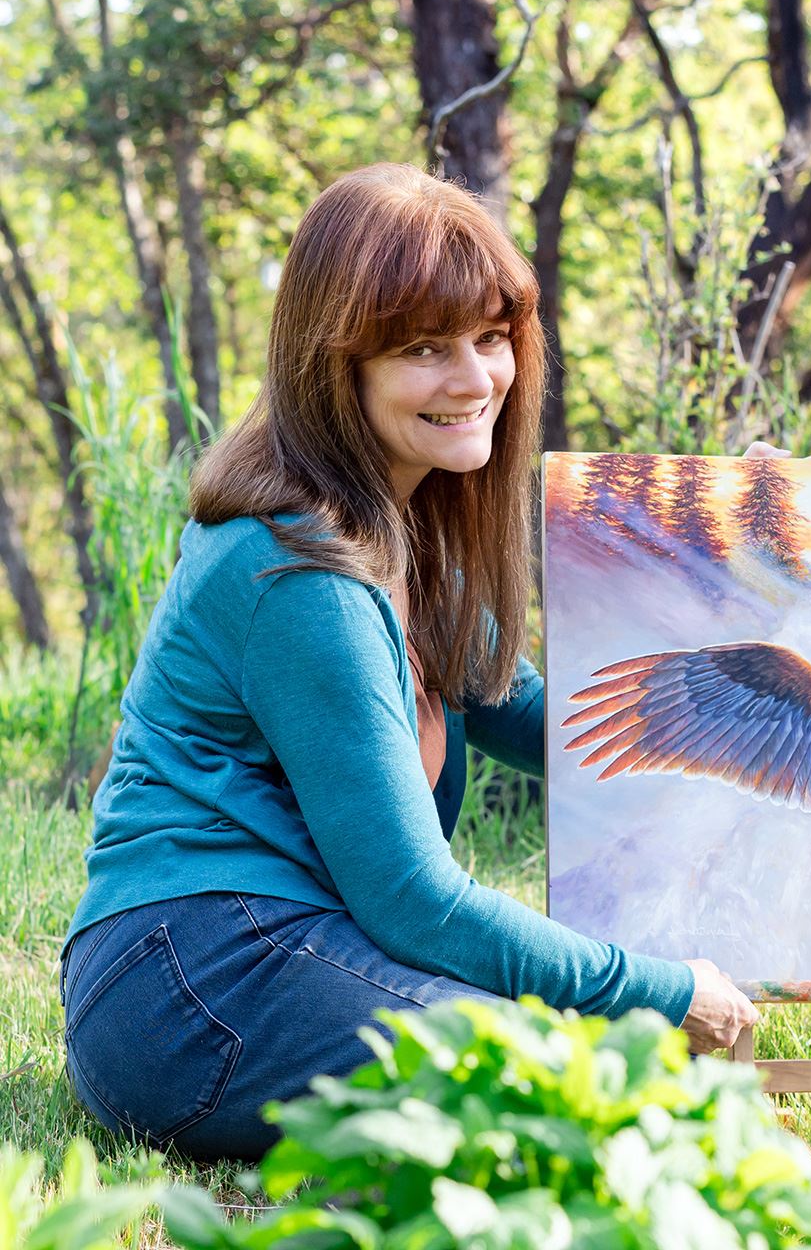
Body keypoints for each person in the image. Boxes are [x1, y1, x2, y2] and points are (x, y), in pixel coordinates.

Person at [58, 162, 769, 1163]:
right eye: (424, 348)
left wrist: (730, 649)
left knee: (595, 1066)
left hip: (296, 941)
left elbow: (528, 709)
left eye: (491, 338)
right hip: (190, 981)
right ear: (335, 362)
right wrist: (657, 987)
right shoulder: (298, 573)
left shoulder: (405, 517)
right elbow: (413, 899)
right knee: (579, 1084)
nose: (475, 379)